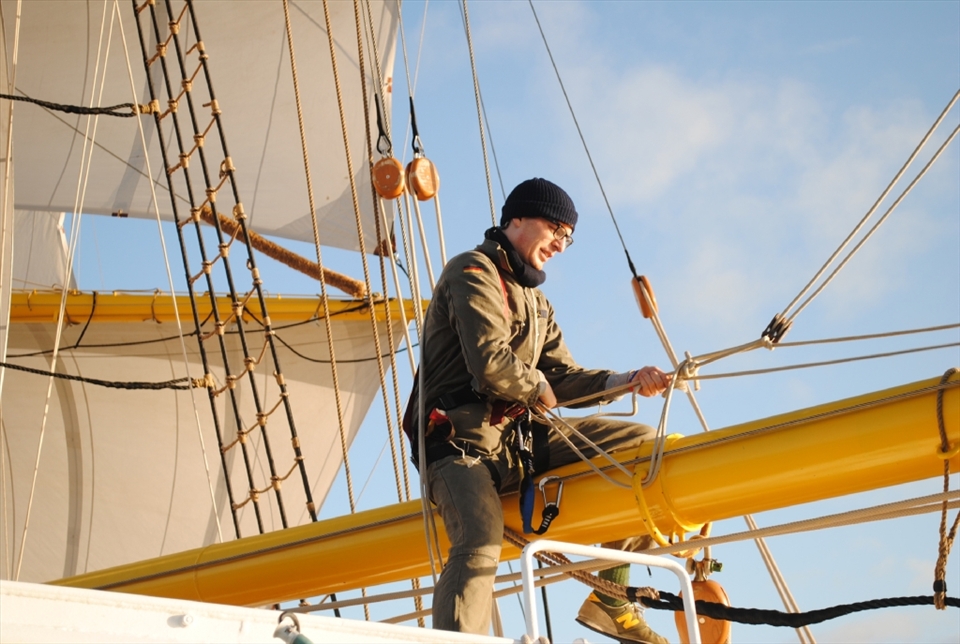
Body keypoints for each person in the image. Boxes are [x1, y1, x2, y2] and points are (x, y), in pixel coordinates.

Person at [404, 178, 671, 643]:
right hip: (459, 445)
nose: (561, 245)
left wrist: (624, 381)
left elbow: (563, 378)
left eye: (568, 237)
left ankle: (610, 596)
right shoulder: (472, 270)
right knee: (478, 542)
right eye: (555, 229)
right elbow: (490, 363)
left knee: (642, 446)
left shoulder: (538, 303)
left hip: (517, 442)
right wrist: (540, 386)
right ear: (518, 218)